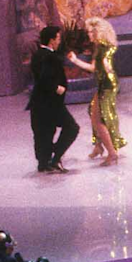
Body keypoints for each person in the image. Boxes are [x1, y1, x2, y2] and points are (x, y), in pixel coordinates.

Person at [67, 17, 125, 163]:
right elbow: (93, 68)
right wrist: (75, 61)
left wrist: (106, 64)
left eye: (90, 32)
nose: (88, 35)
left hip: (107, 85)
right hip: (105, 84)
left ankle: (111, 153)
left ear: (97, 32)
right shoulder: (100, 47)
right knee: (92, 110)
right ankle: (99, 146)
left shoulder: (103, 47)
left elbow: (106, 59)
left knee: (99, 119)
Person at [28, 25, 79, 174]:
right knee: (72, 127)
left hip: (40, 103)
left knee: (44, 132)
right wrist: (57, 87)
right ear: (51, 41)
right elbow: (44, 77)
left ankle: (44, 162)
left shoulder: (38, 54)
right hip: (50, 103)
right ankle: (54, 157)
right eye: (58, 38)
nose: (59, 41)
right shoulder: (49, 57)